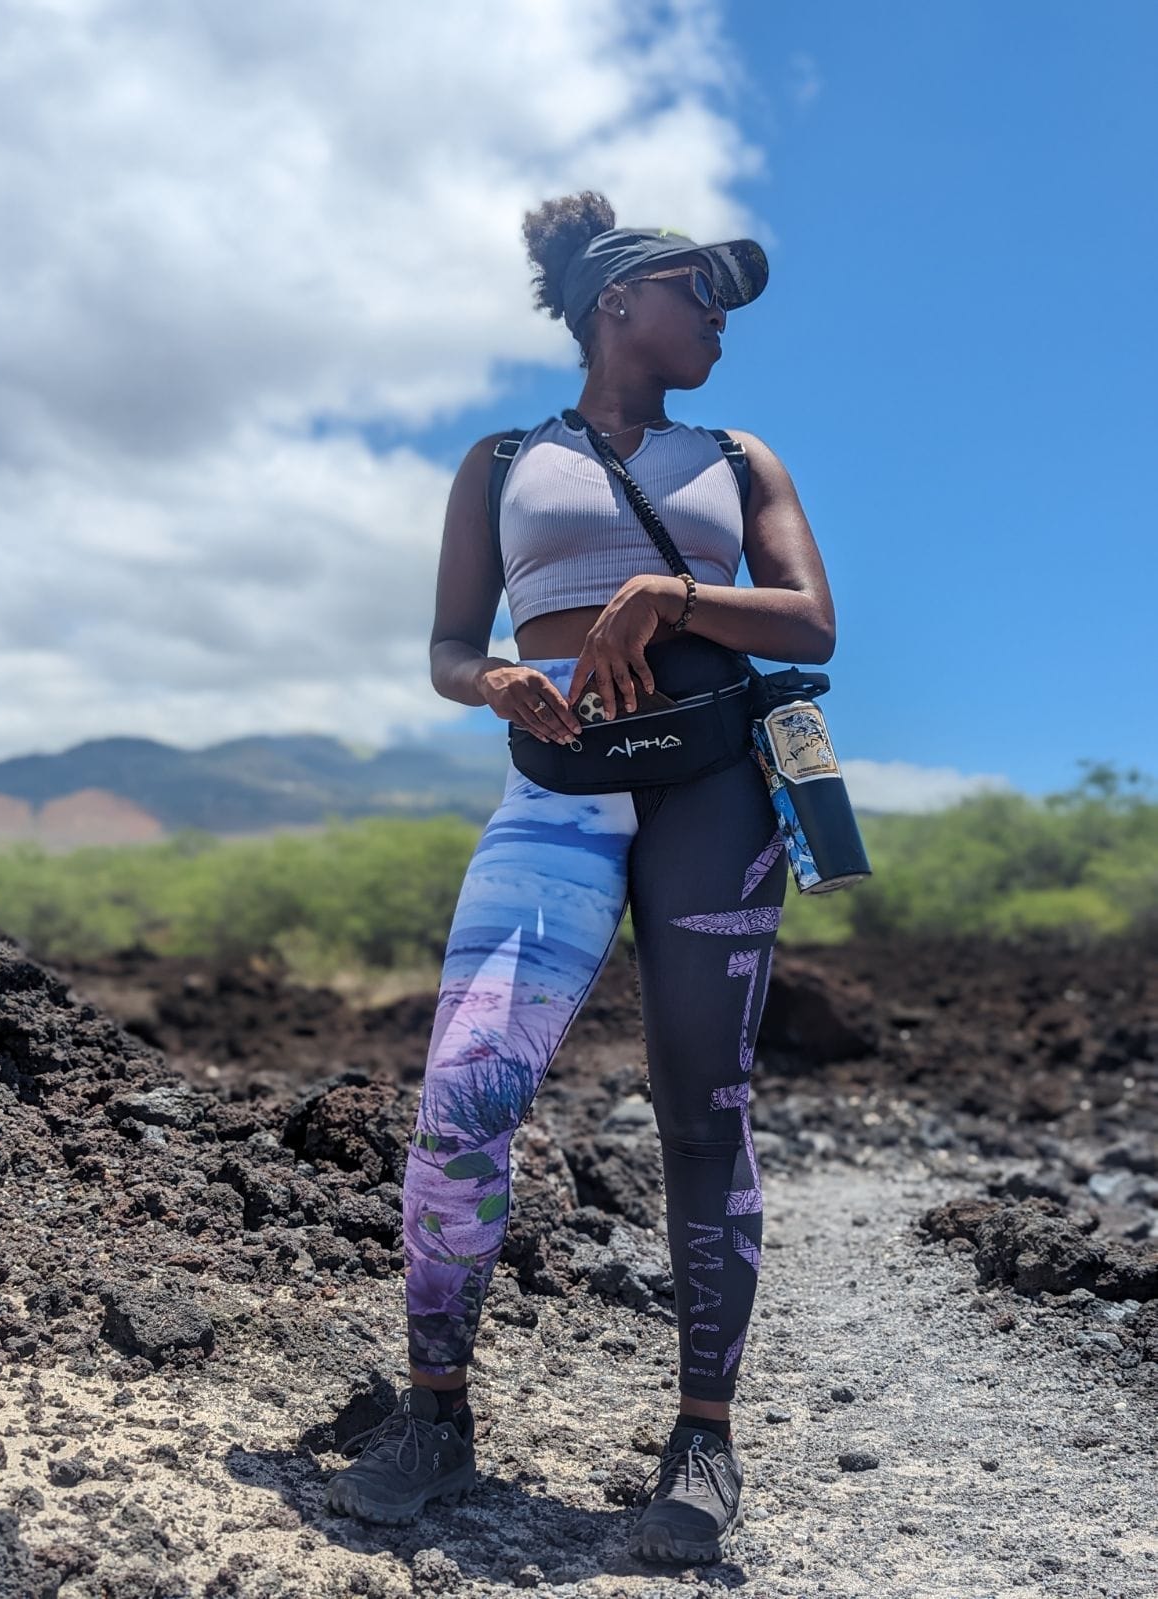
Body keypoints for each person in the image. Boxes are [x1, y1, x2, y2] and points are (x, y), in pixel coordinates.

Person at [326, 192, 835, 1565]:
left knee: (701, 1106)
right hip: (551, 792)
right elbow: (446, 647)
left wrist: (668, 597)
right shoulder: (501, 461)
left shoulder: (738, 456)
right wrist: (492, 676)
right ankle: (435, 1416)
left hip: (713, 792)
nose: (722, 315)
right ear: (618, 302)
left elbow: (811, 619)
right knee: (466, 1086)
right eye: (699, 289)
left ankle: (703, 1443)